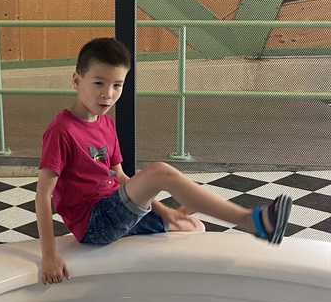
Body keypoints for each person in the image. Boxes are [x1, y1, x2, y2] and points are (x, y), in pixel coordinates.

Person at [35, 37, 293, 285]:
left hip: (114, 207)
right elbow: (42, 196)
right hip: (94, 222)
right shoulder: (62, 131)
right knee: (160, 171)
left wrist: (165, 211)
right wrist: (49, 256)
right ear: (76, 80)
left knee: (192, 226)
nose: (108, 94)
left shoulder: (106, 123)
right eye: (99, 83)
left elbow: (122, 178)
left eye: (118, 85)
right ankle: (253, 221)